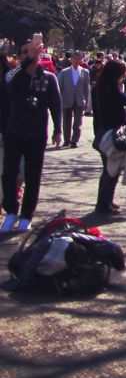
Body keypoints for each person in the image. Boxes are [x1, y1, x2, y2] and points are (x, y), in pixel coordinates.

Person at [0, 35, 61, 233]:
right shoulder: (14, 75)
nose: (29, 55)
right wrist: (28, 61)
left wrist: (58, 130)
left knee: (33, 176)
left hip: (36, 134)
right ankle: (10, 212)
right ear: (20, 56)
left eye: (32, 51)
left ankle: (27, 215)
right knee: (9, 174)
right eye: (25, 52)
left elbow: (56, 106)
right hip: (14, 132)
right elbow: (12, 86)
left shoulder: (49, 78)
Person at [92, 59, 126, 215]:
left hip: (101, 132)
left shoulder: (98, 87)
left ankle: (105, 201)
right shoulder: (112, 90)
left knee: (107, 169)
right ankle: (103, 205)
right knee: (112, 170)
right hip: (114, 133)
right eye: (122, 74)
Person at [56, 51, 92, 148]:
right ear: (71, 59)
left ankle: (74, 140)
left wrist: (86, 101)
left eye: (78, 59)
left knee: (77, 122)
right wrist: (58, 100)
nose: (76, 60)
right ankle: (66, 140)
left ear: (81, 60)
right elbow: (60, 87)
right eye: (74, 58)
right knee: (66, 121)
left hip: (79, 100)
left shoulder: (85, 72)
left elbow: (86, 88)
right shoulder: (64, 72)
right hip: (67, 99)